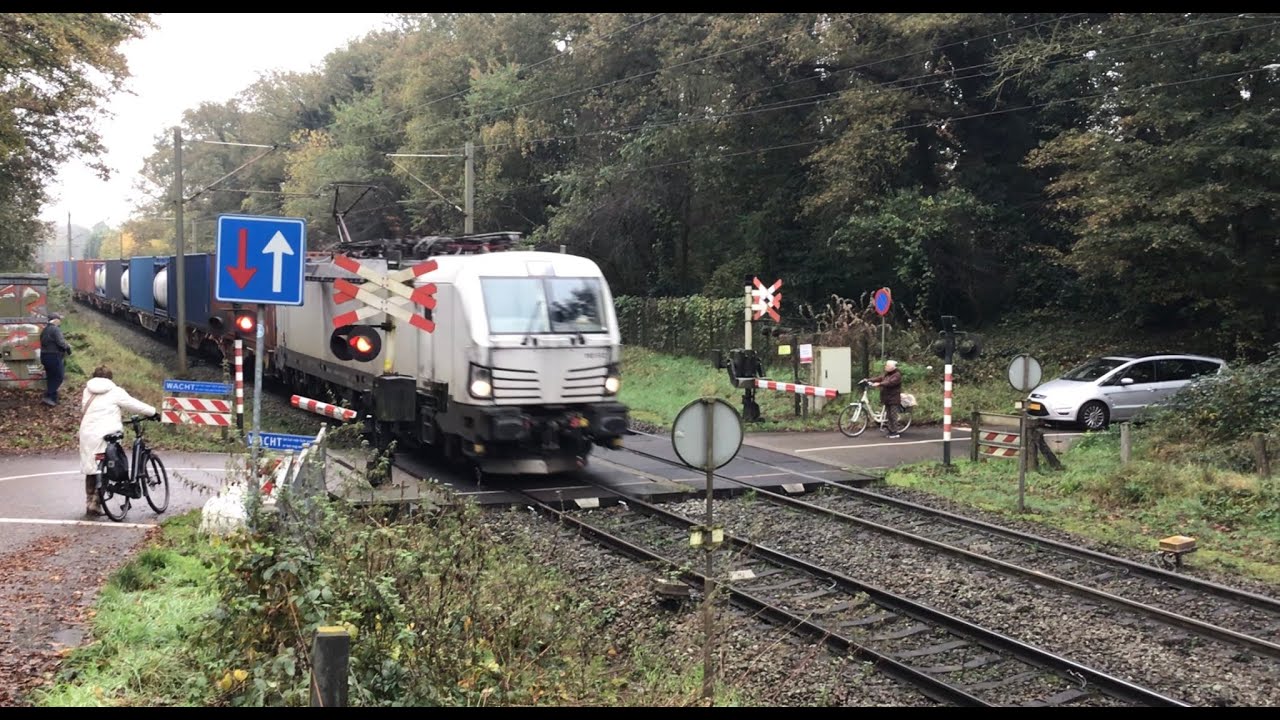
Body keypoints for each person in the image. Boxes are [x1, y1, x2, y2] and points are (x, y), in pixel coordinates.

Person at [79, 365, 159, 517]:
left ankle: (90, 502)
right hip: (107, 434)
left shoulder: (87, 391)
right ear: (110, 378)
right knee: (111, 466)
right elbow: (134, 404)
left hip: (87, 433)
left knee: (92, 467)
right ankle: (98, 501)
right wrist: (153, 412)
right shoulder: (115, 391)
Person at [39, 312, 72, 406]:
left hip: (44, 356)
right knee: (59, 377)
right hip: (54, 356)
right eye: (59, 320)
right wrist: (68, 348)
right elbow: (61, 343)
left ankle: (53, 398)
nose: (60, 321)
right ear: (56, 320)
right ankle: (49, 396)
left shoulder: (45, 330)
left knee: (51, 377)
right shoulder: (55, 329)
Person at [868, 359, 904, 439]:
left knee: (893, 415)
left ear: (892, 367)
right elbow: (879, 378)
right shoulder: (887, 374)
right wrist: (869, 380)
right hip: (887, 397)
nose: (885, 367)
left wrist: (879, 384)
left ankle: (895, 432)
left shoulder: (897, 375)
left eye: (887, 366)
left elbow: (890, 383)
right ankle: (891, 430)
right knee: (888, 415)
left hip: (893, 398)